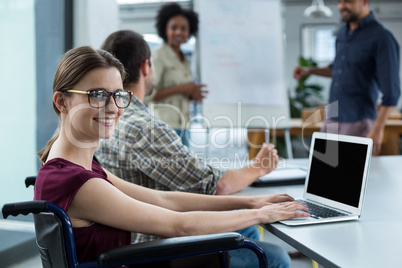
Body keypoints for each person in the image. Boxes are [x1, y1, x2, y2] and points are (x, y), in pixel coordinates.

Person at [33, 45, 309, 267]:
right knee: (269, 257)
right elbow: (179, 226)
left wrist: (252, 203)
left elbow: (163, 199)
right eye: (97, 95)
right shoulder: (77, 181)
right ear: (62, 101)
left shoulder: (79, 168)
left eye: (118, 95)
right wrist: (261, 214)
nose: (113, 107)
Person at [95, 30, 296, 268]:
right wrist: (258, 168)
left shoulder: (105, 119)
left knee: (245, 227)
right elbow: (215, 186)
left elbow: (177, 191)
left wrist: (251, 205)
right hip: (151, 247)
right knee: (276, 258)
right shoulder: (142, 127)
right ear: (146, 67)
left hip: (129, 237)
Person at [293, 0, 400, 156]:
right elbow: (337, 69)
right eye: (339, 1)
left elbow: (392, 92)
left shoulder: (382, 37)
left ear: (364, 2)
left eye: (348, 1)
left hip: (358, 120)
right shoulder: (343, 33)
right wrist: (308, 71)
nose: (341, 6)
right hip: (332, 117)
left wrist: (378, 128)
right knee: (323, 171)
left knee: (351, 177)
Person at [145, 2, 207, 146]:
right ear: (165, 30)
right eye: (174, 27)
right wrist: (183, 88)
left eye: (184, 28)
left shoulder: (185, 59)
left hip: (184, 125)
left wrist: (192, 94)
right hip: (164, 126)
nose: (179, 32)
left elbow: (181, 92)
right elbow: (147, 94)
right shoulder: (158, 56)